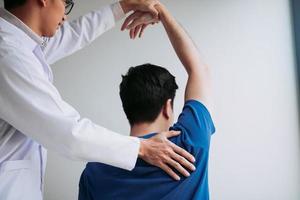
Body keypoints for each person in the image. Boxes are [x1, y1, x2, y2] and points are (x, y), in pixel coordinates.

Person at [0, 0, 197, 199]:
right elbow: (69, 133)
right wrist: (141, 147)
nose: (65, 15)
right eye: (66, 2)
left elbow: (73, 35)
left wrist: (124, 6)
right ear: (168, 106)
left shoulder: (94, 173)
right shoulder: (8, 54)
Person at [79, 2, 216, 200]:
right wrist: (161, 11)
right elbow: (199, 69)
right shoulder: (189, 143)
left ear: (128, 107)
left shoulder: (94, 171)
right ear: (168, 107)